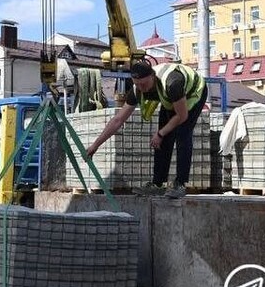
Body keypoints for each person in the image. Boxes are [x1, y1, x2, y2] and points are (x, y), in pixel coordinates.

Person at [85, 60, 207, 199]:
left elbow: (182, 116)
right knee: (164, 138)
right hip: (172, 99)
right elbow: (118, 120)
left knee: (182, 133)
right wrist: (95, 145)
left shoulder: (172, 83)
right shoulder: (137, 89)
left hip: (194, 92)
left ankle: (180, 183)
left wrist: (160, 134)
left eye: (143, 84)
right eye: (137, 84)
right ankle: (158, 184)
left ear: (153, 76)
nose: (141, 88)